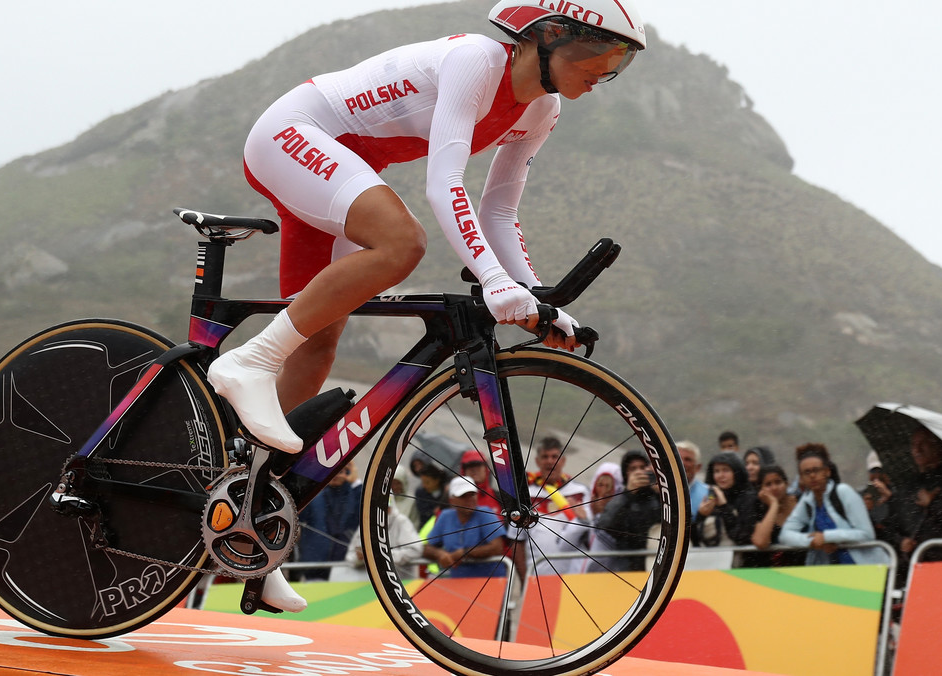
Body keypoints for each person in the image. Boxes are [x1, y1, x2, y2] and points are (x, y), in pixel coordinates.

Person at [206, 0, 645, 613]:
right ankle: (247, 361)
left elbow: (499, 214)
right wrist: (493, 280)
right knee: (401, 242)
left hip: (340, 162)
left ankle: (245, 528)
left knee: (318, 346)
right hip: (297, 135)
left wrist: (543, 303)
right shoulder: (475, 61)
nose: (609, 69)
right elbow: (446, 183)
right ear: (549, 36)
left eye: (621, 61)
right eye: (606, 52)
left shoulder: (543, 108)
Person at [779, 445, 886, 565]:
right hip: (834, 573)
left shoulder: (843, 492)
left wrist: (827, 537)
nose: (812, 476)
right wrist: (812, 541)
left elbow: (866, 534)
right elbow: (785, 535)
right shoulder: (807, 502)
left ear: (827, 471)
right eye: (806, 472)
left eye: (816, 470)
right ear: (801, 478)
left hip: (867, 568)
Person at [892, 427, 942, 566]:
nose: (917, 450)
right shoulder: (908, 485)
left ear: (938, 447)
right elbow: (893, 523)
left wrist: (934, 503)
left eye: (923, 444)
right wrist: (901, 541)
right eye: (913, 445)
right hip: (914, 563)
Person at [589, 449, 659, 572]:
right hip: (628, 568)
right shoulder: (622, 499)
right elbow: (606, 525)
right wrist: (629, 493)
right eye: (633, 469)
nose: (639, 472)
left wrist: (663, 494)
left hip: (656, 566)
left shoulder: (658, 496)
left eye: (643, 467)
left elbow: (683, 524)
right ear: (626, 475)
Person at [423, 476, 507, 578]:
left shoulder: (485, 513)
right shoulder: (445, 516)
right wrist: (440, 554)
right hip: (458, 583)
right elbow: (427, 548)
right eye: (463, 496)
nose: (469, 499)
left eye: (472, 494)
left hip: (490, 582)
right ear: (452, 500)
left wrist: (464, 553)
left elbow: (497, 548)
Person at [298, 461, 363, 580]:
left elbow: (366, 508)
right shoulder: (313, 496)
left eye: (341, 471)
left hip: (346, 566)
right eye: (332, 471)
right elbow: (297, 513)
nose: (336, 475)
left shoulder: (355, 496)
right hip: (315, 567)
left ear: (348, 473)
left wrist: (355, 481)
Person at [343, 494, 421, 581]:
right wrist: (359, 558)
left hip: (401, 582)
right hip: (367, 585)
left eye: (385, 505)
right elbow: (350, 556)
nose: (381, 510)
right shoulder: (365, 525)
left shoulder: (401, 521)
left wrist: (381, 556)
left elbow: (415, 550)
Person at [743, 465, 804, 568]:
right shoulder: (759, 509)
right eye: (768, 484)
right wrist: (774, 505)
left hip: (805, 567)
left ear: (787, 484)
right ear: (761, 490)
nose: (774, 488)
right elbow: (761, 542)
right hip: (771, 571)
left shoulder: (801, 502)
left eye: (778, 482)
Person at [692, 452, 755, 550]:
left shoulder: (749, 498)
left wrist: (724, 507)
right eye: (716, 471)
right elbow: (694, 540)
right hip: (709, 560)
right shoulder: (709, 497)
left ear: (737, 472)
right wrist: (701, 516)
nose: (721, 476)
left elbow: (741, 537)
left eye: (726, 470)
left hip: (739, 560)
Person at [460, 449, 502, 515]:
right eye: (470, 466)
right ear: (463, 471)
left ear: (486, 469)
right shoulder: (454, 499)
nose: (474, 470)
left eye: (478, 465)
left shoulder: (499, 498)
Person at [677, 441, 708, 518]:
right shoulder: (658, 491)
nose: (682, 463)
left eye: (687, 460)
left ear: (698, 467)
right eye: (677, 458)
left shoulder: (709, 492)